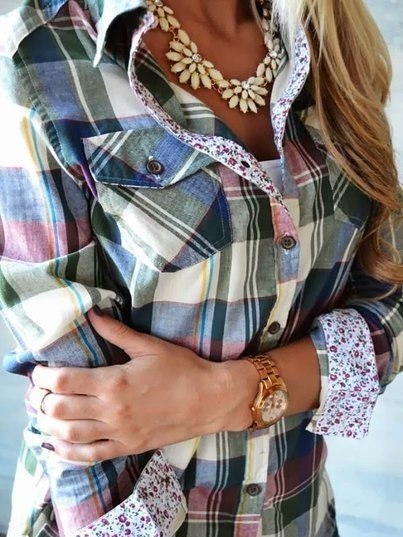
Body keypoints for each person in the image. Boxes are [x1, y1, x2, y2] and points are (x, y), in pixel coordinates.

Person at [0, 0, 402, 535]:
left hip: (300, 515)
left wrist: (227, 394)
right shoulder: (38, 60)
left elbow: (392, 305)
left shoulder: (325, 36)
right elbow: (80, 423)